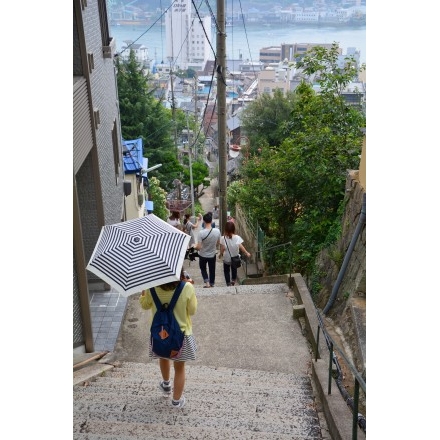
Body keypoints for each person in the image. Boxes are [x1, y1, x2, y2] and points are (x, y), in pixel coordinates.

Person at [139, 270, 197, 409]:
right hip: (181, 335)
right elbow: (192, 310)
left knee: (163, 358)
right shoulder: (187, 287)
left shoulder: (151, 287)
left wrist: (143, 293)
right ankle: (176, 401)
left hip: (160, 335)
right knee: (179, 367)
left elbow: (145, 305)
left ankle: (166, 384)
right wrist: (189, 289)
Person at [219, 221, 251, 286]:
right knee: (234, 269)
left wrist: (220, 254)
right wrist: (246, 253)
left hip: (227, 258)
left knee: (226, 271)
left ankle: (228, 283)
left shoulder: (223, 238)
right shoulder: (237, 237)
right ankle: (233, 280)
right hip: (235, 258)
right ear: (234, 229)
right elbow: (241, 247)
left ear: (225, 229)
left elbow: (223, 248)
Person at [194, 212, 221, 288]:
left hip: (203, 255)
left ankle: (207, 283)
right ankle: (212, 283)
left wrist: (194, 246)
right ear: (211, 221)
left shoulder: (201, 233)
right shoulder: (217, 231)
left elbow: (199, 247)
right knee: (212, 269)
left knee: (203, 269)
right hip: (212, 254)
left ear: (204, 221)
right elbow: (218, 243)